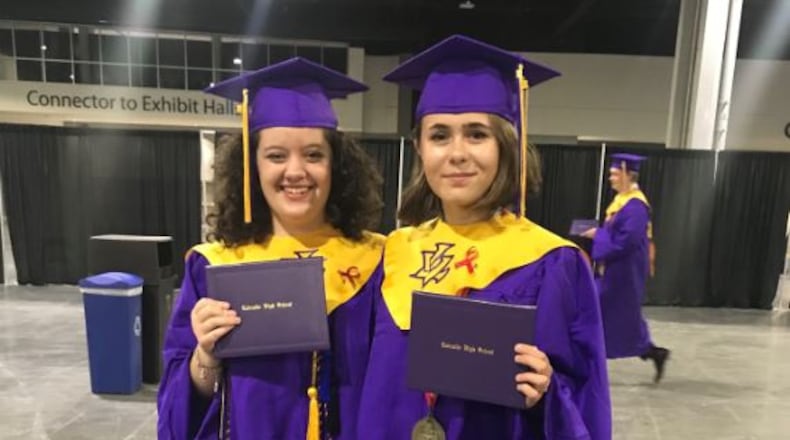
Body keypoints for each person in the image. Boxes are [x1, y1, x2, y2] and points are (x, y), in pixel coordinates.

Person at [357, 35, 611, 440]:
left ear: (506, 148)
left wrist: (545, 392)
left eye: (477, 134)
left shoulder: (550, 263)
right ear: (420, 149)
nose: (457, 153)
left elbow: (586, 395)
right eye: (439, 135)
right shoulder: (394, 254)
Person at [157, 57, 385, 440]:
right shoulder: (214, 267)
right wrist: (206, 356)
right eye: (276, 156)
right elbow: (181, 403)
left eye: (314, 155)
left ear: (336, 166)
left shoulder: (376, 262)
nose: (295, 171)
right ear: (253, 167)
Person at [582, 153, 670, 383]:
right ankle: (652, 352)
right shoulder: (624, 202)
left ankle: (589, 363)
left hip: (623, 273)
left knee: (604, 315)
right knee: (616, 318)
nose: (610, 178)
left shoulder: (636, 206)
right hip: (614, 269)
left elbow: (626, 241)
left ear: (626, 174)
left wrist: (598, 234)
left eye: (614, 174)